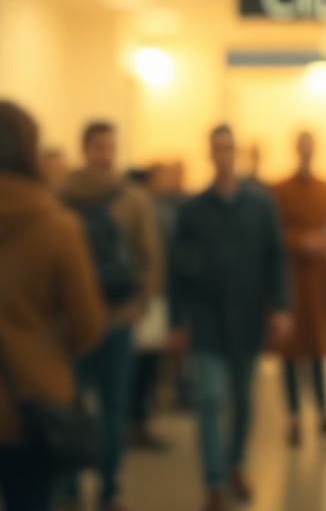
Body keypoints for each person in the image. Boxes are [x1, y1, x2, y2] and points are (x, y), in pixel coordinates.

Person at [0, 101, 108, 511]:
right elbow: (87, 326)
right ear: (30, 152)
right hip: (32, 410)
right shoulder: (58, 228)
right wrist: (43, 350)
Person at [169, 125, 293, 511]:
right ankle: (214, 480)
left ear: (235, 154)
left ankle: (236, 462)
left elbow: (276, 258)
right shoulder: (193, 209)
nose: (223, 155)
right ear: (210, 153)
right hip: (206, 320)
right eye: (217, 148)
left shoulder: (260, 204)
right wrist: (178, 321)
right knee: (210, 398)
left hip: (248, 318)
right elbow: (179, 270)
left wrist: (282, 308)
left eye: (229, 148)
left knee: (243, 401)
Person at [58, 122, 164, 511]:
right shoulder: (63, 195)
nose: (105, 155)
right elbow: (149, 259)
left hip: (112, 319)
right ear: (84, 149)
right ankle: (94, 486)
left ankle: (101, 486)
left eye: (110, 148)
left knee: (104, 408)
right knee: (85, 406)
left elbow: (149, 259)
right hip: (82, 323)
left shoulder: (125, 199)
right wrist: (140, 302)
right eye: (99, 148)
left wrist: (139, 304)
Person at [270, 130, 326, 447]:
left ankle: (324, 416)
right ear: (295, 150)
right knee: (291, 353)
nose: (307, 153)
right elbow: (271, 232)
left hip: (319, 282)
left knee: (319, 350)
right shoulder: (279, 190)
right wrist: (299, 241)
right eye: (302, 148)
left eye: (311, 148)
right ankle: (294, 418)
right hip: (291, 281)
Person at [128, 163, 181, 451]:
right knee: (137, 365)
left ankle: (138, 421)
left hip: (155, 296)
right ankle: (134, 421)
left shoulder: (164, 209)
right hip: (142, 298)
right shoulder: (143, 209)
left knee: (147, 364)